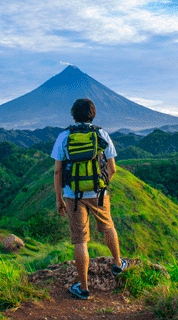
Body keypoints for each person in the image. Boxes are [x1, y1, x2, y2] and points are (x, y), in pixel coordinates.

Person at [50, 98, 128, 300]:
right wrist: (101, 186)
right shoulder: (101, 134)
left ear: (73, 115)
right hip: (98, 193)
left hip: (72, 195)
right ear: (93, 115)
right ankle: (118, 264)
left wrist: (59, 199)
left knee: (80, 239)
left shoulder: (64, 136)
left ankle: (83, 288)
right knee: (108, 226)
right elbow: (112, 168)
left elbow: (58, 172)